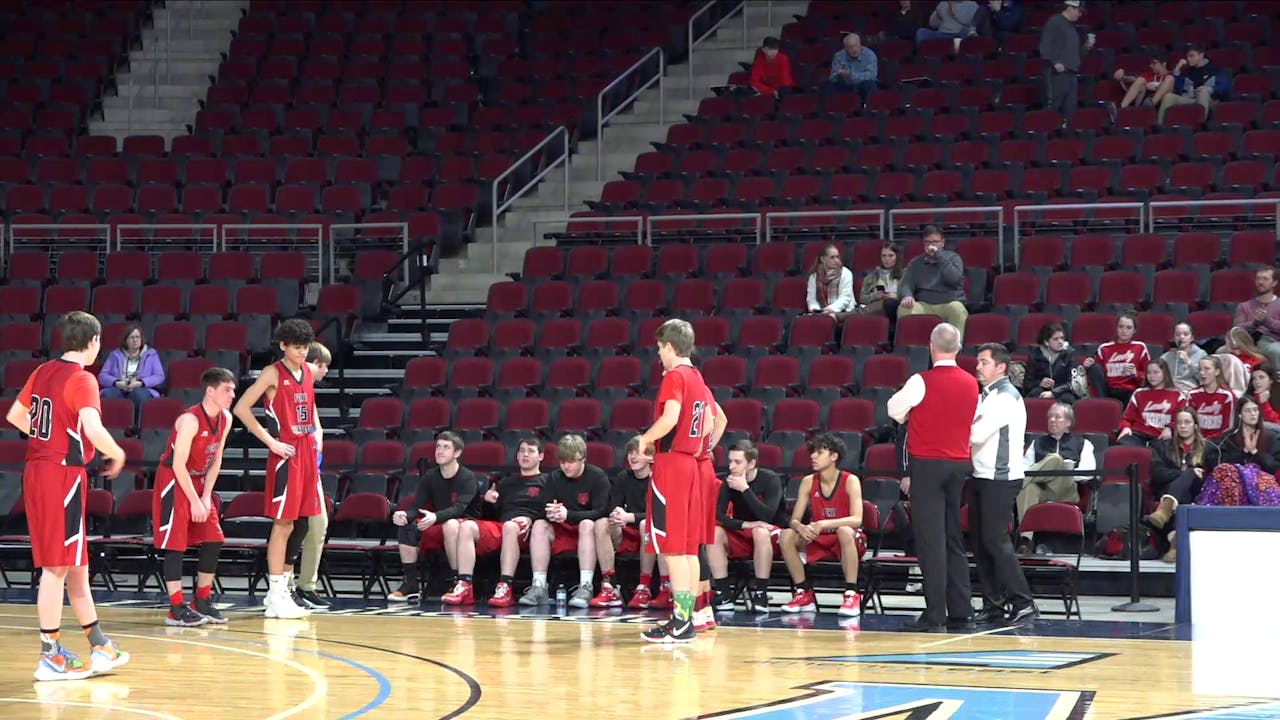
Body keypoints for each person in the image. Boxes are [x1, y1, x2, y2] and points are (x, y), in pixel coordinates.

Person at [5, 311, 129, 681]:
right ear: (92, 342)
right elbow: (93, 427)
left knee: (76, 564)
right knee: (56, 567)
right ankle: (50, 654)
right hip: (61, 476)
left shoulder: (42, 372)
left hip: (38, 471)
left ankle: (99, 644)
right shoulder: (83, 379)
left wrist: (47, 437)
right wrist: (118, 452)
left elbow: (15, 415)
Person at [887, 323, 979, 632]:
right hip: (959, 464)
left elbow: (893, 409)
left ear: (931, 346)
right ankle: (962, 608)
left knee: (930, 540)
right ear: (958, 347)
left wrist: (914, 414)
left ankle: (935, 613)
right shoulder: (971, 383)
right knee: (953, 536)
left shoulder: (920, 380)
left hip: (927, 463)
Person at [232, 318, 321, 619]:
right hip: (285, 451)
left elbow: (310, 406)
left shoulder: (308, 371)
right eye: (296, 348)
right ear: (283, 346)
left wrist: (317, 433)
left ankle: (283, 591)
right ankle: (275, 593)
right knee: (283, 524)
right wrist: (271, 442)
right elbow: (241, 408)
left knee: (300, 523)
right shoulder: (272, 372)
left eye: (305, 348)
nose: (302, 353)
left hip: (306, 448)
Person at [638, 318, 714, 643]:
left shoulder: (674, 377)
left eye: (659, 348)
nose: (658, 355)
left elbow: (669, 418)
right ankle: (686, 620)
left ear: (670, 346)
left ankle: (680, 621)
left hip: (671, 465)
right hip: (693, 466)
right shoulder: (698, 377)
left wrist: (645, 440)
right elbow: (710, 421)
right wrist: (697, 447)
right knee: (688, 549)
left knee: (672, 549)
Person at [153, 367, 236, 627]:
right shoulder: (190, 420)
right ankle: (175, 608)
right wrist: (193, 500)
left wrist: (206, 496)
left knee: (214, 538)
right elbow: (178, 466)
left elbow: (216, 459)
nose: (232, 394)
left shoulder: (226, 418)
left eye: (233, 389)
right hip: (174, 480)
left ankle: (201, 600)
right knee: (176, 543)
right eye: (227, 390)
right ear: (210, 391)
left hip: (199, 480)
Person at [970, 343, 1037, 625]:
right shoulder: (986, 395)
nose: (977, 366)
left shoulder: (1005, 397)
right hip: (981, 475)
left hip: (1000, 477)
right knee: (981, 543)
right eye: (978, 361)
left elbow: (976, 432)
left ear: (1001, 367)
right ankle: (993, 603)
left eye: (984, 362)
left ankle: (1024, 602)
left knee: (996, 541)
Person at [778, 433, 865, 617]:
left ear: (834, 456)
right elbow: (794, 519)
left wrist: (825, 523)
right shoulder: (808, 482)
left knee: (843, 530)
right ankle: (803, 592)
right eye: (812, 452)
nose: (813, 456)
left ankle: (852, 593)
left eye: (819, 452)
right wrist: (800, 527)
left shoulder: (850, 480)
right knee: (786, 535)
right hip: (820, 538)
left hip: (848, 539)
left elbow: (857, 519)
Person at [520, 434, 611, 608]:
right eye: (562, 462)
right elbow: (542, 509)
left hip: (587, 533)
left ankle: (586, 586)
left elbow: (602, 512)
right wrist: (551, 513)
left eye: (571, 461)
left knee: (587, 524)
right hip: (562, 530)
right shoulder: (554, 477)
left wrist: (568, 515)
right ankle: (539, 585)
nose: (566, 466)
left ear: (582, 458)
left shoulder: (597, 477)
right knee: (539, 525)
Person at [388, 432, 479, 604]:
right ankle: (410, 583)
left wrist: (435, 517)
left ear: (457, 453)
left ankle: (457, 581)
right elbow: (417, 506)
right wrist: (404, 515)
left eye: (446, 447)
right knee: (407, 525)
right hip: (438, 521)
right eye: (438, 447)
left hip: (467, 524)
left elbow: (460, 508)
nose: (440, 451)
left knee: (451, 525)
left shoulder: (467, 477)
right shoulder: (430, 476)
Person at [707, 440, 785, 614]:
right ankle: (724, 593)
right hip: (744, 531)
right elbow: (719, 516)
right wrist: (746, 524)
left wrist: (745, 489)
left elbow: (767, 516)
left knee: (760, 531)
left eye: (737, 462)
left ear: (751, 464)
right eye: (730, 461)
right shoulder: (729, 482)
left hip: (773, 534)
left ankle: (761, 593)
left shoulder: (770, 479)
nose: (731, 466)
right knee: (714, 532)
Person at [1019, 402, 1095, 554]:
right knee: (1029, 488)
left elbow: (1089, 472)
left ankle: (1018, 483)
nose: (1052, 420)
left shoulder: (1082, 443)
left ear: (1068, 422)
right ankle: (1026, 540)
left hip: (1067, 489)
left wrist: (1065, 471)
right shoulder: (1038, 442)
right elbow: (1024, 467)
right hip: (1043, 490)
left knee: (1055, 459)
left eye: (1057, 417)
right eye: (1050, 417)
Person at [1147, 407, 1220, 562]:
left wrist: (1191, 475)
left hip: (1198, 493)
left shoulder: (1209, 449)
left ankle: (1164, 510)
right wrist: (1186, 474)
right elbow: (1157, 473)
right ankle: (1175, 544)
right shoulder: (1162, 447)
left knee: (1190, 478)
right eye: (1179, 422)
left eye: (1187, 422)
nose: (1183, 426)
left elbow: (1213, 480)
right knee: (1185, 489)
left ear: (1195, 425)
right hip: (1171, 491)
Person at [588, 437, 653, 608]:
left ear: (651, 457)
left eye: (637, 452)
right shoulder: (623, 477)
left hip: (648, 531)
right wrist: (616, 515)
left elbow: (661, 513)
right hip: (625, 532)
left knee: (646, 524)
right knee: (602, 523)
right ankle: (610, 585)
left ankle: (644, 587)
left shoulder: (659, 478)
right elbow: (613, 507)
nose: (632, 456)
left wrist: (630, 517)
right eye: (630, 452)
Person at [484, 437, 548, 608]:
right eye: (522, 450)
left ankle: (505, 585)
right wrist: (488, 502)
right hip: (503, 526)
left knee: (511, 527)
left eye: (531, 451)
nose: (525, 454)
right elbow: (491, 515)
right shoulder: (505, 483)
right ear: (517, 456)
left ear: (541, 456)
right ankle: (461, 583)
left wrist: (531, 519)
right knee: (469, 527)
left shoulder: (548, 481)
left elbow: (550, 509)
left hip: (532, 529)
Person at [294, 342, 332, 611]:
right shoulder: (291, 388)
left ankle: (306, 586)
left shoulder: (309, 393)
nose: (326, 370)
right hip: (295, 468)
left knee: (318, 525)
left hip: (312, 469)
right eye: (323, 365)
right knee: (292, 527)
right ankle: (282, 585)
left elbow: (316, 430)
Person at [1199, 396, 1280, 509]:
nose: (1253, 414)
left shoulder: (1271, 437)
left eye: (1255, 410)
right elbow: (1219, 464)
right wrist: (1244, 452)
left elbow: (1273, 468)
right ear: (1240, 415)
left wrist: (1255, 452)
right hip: (1234, 484)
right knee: (1227, 473)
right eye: (1248, 410)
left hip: (1261, 485)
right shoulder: (1228, 438)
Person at [897, 225, 968, 336]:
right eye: (927, 242)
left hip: (948, 303)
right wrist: (907, 295)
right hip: (924, 304)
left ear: (942, 243)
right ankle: (911, 348)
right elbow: (906, 283)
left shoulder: (953, 258)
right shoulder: (916, 262)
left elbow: (954, 279)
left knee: (958, 309)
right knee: (904, 309)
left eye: (935, 242)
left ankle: (955, 349)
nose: (931, 246)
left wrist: (939, 256)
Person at [1038, 0, 1094, 117]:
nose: (1080, 14)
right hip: (1057, 75)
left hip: (1071, 75)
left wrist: (1087, 47)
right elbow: (1044, 45)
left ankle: (1065, 134)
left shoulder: (1072, 28)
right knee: (1052, 110)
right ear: (1070, 8)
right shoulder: (1055, 21)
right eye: (1079, 11)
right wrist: (1055, 62)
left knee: (1070, 112)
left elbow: (1076, 56)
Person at [97, 323, 165, 419]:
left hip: (141, 388)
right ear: (126, 340)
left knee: (138, 395)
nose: (135, 340)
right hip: (119, 388)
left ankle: (135, 427)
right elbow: (102, 376)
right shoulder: (115, 355)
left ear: (142, 339)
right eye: (131, 337)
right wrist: (116, 383)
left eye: (137, 337)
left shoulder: (151, 354)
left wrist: (141, 383)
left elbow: (159, 376)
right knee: (107, 395)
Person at [1082, 312, 1149, 404]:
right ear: (1116, 328)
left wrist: (1136, 373)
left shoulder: (1140, 347)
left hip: (1129, 390)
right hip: (1107, 390)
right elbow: (1096, 375)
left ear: (1134, 330)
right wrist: (1088, 365)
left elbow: (1149, 376)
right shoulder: (1104, 348)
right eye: (1121, 327)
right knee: (1094, 367)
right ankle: (1101, 404)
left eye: (1128, 328)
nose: (1124, 331)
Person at [1117, 360, 1184, 447]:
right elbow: (1126, 418)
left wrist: (1170, 428)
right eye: (1148, 372)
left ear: (1165, 373)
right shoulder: (1139, 393)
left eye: (1156, 372)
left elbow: (1182, 419)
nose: (1151, 376)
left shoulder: (1178, 395)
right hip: (1139, 434)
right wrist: (1125, 427)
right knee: (1124, 443)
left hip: (1163, 437)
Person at [1234, 267, 1280, 370]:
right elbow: (1236, 330)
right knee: (1221, 351)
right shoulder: (1244, 306)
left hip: (1272, 342)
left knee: (1276, 350)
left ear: (1274, 283)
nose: (1260, 282)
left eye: (1265, 279)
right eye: (1258, 279)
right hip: (1247, 343)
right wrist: (1254, 324)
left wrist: (1267, 321)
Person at [1024, 322, 1080, 402]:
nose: (1060, 341)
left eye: (1062, 338)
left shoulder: (1069, 354)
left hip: (1063, 391)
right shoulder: (1035, 355)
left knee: (1068, 398)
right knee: (1034, 395)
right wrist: (1040, 383)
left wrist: (1054, 393)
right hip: (1041, 390)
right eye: (1056, 339)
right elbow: (1027, 384)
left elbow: (1073, 383)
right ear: (1046, 342)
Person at [1186, 356, 1237, 443]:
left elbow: (1228, 426)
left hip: (1220, 442)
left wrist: (1210, 440)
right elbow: (1188, 421)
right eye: (1200, 369)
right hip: (1196, 440)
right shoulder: (1192, 394)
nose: (1202, 373)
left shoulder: (1227, 395)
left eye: (1207, 369)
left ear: (1217, 372)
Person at [806, 243, 856, 322]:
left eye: (837, 257)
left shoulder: (846, 273)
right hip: (821, 313)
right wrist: (817, 311)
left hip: (844, 312)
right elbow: (811, 299)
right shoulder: (814, 277)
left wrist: (831, 309)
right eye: (832, 257)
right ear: (823, 259)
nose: (836, 260)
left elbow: (845, 298)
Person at [825, 33, 877, 103]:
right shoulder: (838, 56)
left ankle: (867, 110)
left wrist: (852, 76)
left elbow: (872, 75)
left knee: (870, 85)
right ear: (845, 48)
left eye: (856, 46)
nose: (854, 49)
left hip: (862, 83)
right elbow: (832, 77)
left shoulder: (869, 55)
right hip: (845, 84)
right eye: (850, 47)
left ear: (860, 44)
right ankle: (834, 110)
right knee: (827, 85)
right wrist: (839, 75)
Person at [858, 242, 904, 320]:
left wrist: (897, 296)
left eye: (891, 256)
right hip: (876, 307)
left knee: (889, 303)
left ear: (897, 257)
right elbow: (862, 298)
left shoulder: (905, 274)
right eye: (884, 256)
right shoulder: (871, 276)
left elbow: (915, 296)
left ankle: (850, 315)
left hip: (896, 309)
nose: (887, 259)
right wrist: (874, 296)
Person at [1160, 321, 1207, 393]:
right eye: (1178, 334)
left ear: (1192, 338)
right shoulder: (1166, 356)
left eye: (1186, 334)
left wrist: (1189, 362)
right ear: (1174, 338)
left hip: (1190, 390)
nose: (1181, 337)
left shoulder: (1201, 354)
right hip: (1170, 390)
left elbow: (1204, 378)